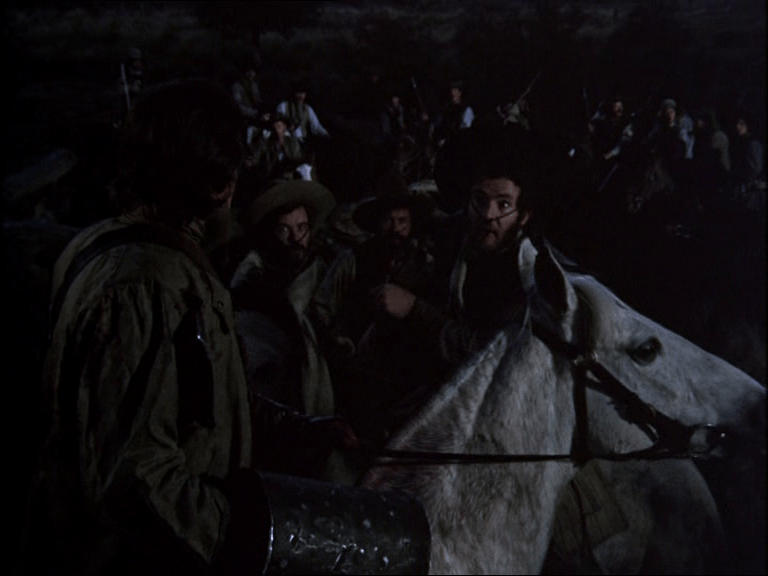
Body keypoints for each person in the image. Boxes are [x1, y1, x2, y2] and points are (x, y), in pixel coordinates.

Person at [17, 80, 361, 575]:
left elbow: (198, 398)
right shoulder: (148, 285)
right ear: (220, 186)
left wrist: (299, 427)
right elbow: (137, 476)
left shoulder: (116, 249)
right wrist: (243, 538)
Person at [229, 178, 359, 484]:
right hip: (276, 423)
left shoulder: (319, 272)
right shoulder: (252, 286)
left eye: (301, 228)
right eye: (284, 230)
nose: (296, 239)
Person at [312, 172, 438, 445]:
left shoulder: (424, 264)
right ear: (377, 223)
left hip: (407, 376)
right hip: (357, 372)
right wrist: (338, 337)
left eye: (402, 221)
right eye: (389, 221)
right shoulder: (353, 259)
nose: (396, 229)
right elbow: (322, 307)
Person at [248, 111, 305, 183]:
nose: (277, 130)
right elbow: (257, 157)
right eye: (274, 127)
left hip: (288, 177)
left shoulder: (292, 142)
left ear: (284, 127)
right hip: (271, 178)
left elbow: (297, 157)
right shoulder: (267, 143)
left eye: (279, 126)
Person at [276, 82, 330, 152]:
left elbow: (316, 126)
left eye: (303, 94)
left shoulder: (307, 109)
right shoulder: (283, 106)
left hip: (302, 142)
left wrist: (326, 134)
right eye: (299, 93)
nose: (301, 96)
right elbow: (278, 124)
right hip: (286, 142)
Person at [729, 111, 765, 210]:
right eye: (737, 123)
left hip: (749, 189)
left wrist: (742, 175)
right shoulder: (741, 142)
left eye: (742, 124)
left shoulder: (753, 143)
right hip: (741, 186)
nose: (738, 126)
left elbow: (756, 168)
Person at [231, 64, 264, 147]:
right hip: (241, 119)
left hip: (253, 119)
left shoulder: (254, 85)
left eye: (253, 72)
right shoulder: (237, 86)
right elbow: (238, 105)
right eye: (249, 71)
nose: (251, 74)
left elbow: (258, 101)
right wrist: (253, 112)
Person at [435, 80, 475, 147]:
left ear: (460, 92)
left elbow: (465, 132)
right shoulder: (447, 109)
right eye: (452, 90)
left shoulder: (467, 110)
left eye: (455, 90)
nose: (452, 93)